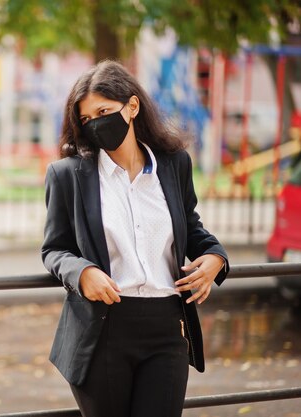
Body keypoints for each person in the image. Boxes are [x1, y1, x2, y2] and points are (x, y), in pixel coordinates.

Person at [41, 60, 229, 417]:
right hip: (102, 331)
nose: (95, 123)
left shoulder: (174, 164)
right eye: (85, 119)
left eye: (103, 111)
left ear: (132, 106)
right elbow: (54, 250)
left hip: (166, 328)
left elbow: (191, 228)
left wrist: (216, 257)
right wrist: (81, 272)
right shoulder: (68, 176)